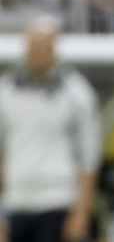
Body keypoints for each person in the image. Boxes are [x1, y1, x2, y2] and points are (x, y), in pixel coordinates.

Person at [0, 16, 102, 242]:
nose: (36, 53)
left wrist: (81, 214)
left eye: (43, 47)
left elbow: (89, 158)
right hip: (15, 203)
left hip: (58, 202)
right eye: (32, 46)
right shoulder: (5, 92)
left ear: (54, 49)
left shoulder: (77, 93)